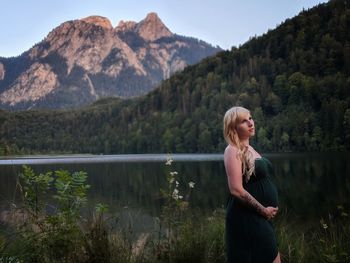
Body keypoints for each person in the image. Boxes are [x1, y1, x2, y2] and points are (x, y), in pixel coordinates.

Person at [223, 106, 281, 263]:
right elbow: (236, 190)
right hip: (246, 218)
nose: (250, 123)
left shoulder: (250, 149)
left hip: (259, 217)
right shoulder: (232, 150)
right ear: (233, 127)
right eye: (243, 121)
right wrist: (263, 211)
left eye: (250, 118)